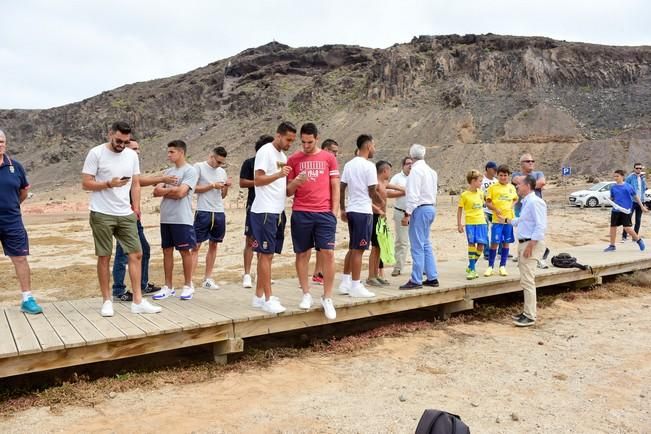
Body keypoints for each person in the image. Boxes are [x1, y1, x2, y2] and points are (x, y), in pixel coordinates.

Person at [81, 122, 161, 316]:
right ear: (110, 134)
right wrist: (109, 183)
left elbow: (135, 184)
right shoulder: (96, 153)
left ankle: (138, 301)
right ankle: (107, 301)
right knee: (104, 256)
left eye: (125, 141)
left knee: (137, 254)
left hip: (125, 213)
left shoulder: (132, 155)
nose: (121, 145)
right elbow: (86, 183)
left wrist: (136, 208)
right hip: (102, 213)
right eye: (118, 140)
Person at [111, 139, 178, 301]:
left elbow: (138, 184)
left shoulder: (131, 164)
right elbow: (138, 182)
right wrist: (162, 179)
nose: (138, 151)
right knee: (122, 253)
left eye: (138, 148)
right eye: (134, 148)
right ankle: (118, 290)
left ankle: (142, 284)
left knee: (144, 250)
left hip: (133, 215)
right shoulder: (121, 165)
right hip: (123, 216)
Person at [286, 123, 338, 319]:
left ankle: (327, 297)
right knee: (302, 253)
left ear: (316, 138)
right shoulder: (294, 159)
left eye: (310, 142)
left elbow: (334, 185)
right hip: (301, 212)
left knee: (328, 253)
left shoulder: (329, 158)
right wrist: (295, 182)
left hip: (324, 213)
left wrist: (334, 211)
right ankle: (306, 293)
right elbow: (288, 191)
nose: (306, 146)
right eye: (303, 142)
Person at [250, 122, 297, 313]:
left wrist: (296, 182)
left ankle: (259, 296)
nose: (289, 144)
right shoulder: (265, 151)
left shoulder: (283, 156)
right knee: (265, 254)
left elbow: (282, 189)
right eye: (288, 139)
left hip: (277, 211)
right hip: (264, 211)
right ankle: (268, 298)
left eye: (292, 141)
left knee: (267, 255)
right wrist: (278, 174)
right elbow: (258, 179)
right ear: (278, 136)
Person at [0, 129, 43, 314]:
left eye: (1, 141)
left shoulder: (15, 166)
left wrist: (12, 206)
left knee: (20, 258)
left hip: (12, 221)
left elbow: (23, 191)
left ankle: (27, 299)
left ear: (6, 143)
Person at [152, 140, 199, 300]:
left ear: (181, 152)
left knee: (185, 251)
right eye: (168, 152)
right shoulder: (167, 172)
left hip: (182, 218)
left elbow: (181, 193)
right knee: (167, 251)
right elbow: (156, 192)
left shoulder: (190, 171)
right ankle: (168, 286)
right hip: (166, 217)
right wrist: (170, 190)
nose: (169, 155)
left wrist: (166, 190)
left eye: (171, 152)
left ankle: (188, 285)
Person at [500, 175, 548, 326]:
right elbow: (522, 221)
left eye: (519, 184)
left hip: (530, 244)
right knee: (525, 280)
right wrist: (507, 220)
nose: (516, 187)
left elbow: (541, 226)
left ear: (527, 185)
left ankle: (530, 315)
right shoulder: (527, 202)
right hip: (524, 243)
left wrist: (531, 245)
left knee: (528, 280)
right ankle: (527, 311)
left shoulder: (535, 202)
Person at [338, 134, 381, 298]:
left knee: (353, 247)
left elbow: (342, 188)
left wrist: (342, 209)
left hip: (352, 209)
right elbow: (372, 191)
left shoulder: (349, 165)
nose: (374, 149)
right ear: (368, 146)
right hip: (363, 211)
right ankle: (356, 285)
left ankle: (345, 281)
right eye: (374, 146)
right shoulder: (369, 166)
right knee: (359, 249)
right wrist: (380, 203)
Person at [191, 146, 231, 290]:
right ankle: (189, 281)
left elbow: (223, 195)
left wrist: (226, 187)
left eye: (222, 163)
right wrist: (211, 185)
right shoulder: (199, 167)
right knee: (196, 246)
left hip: (219, 211)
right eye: (218, 161)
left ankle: (207, 278)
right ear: (211, 156)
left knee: (214, 244)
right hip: (203, 211)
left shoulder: (222, 172)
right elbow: (193, 188)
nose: (219, 165)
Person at [399, 144, 439, 290]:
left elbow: (413, 195)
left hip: (420, 209)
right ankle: (432, 276)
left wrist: (407, 214)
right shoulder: (431, 171)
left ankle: (416, 279)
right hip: (430, 207)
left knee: (417, 245)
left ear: (411, 155)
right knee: (425, 243)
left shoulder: (416, 171)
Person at [239, 135, 274, 288]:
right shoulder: (249, 163)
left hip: (270, 206)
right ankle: (247, 274)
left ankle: (263, 273)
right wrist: (259, 181)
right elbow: (242, 182)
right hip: (253, 205)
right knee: (250, 240)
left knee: (265, 241)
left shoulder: (274, 163)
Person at [367, 160, 403, 286]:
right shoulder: (375, 183)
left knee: (380, 246)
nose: (390, 173)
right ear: (384, 170)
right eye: (389, 170)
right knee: (375, 247)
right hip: (375, 216)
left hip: (382, 218)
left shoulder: (384, 183)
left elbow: (394, 190)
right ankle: (371, 276)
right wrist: (378, 209)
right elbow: (366, 199)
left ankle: (376, 275)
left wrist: (406, 190)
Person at [310, 138, 339, 284]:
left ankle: (318, 272)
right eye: (333, 151)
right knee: (319, 247)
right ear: (326, 150)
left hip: (327, 211)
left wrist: (334, 210)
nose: (336, 154)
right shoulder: (320, 167)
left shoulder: (331, 166)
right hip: (317, 210)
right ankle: (318, 273)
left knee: (323, 247)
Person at [484, 165, 517, 277]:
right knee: (494, 243)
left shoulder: (512, 187)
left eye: (505, 175)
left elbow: (515, 199)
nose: (503, 177)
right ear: (497, 175)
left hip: (508, 220)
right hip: (497, 220)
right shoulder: (493, 188)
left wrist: (511, 206)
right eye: (501, 175)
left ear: (508, 176)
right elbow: (488, 203)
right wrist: (495, 208)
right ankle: (490, 266)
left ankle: (502, 266)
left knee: (506, 243)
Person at [604, 169, 647, 252]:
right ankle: (612, 245)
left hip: (625, 210)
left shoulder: (628, 186)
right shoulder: (613, 187)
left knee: (627, 228)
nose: (615, 178)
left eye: (617, 176)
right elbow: (612, 198)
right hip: (615, 210)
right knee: (613, 227)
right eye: (614, 176)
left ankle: (638, 240)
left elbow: (636, 197)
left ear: (622, 176)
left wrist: (642, 206)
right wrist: (609, 200)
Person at [457, 170, 488, 280]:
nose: (481, 183)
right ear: (473, 181)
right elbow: (460, 210)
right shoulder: (464, 195)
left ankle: (471, 265)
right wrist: (459, 224)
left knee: (481, 245)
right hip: (470, 223)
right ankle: (473, 270)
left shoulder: (481, 193)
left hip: (481, 222)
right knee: (471, 244)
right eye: (480, 181)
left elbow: (487, 203)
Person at [389, 157, 412, 277]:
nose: (410, 166)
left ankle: (421, 267)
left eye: (412, 163)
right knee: (401, 241)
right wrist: (404, 192)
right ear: (403, 165)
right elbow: (387, 193)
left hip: (415, 213)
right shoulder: (397, 178)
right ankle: (398, 267)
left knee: (418, 241)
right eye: (408, 163)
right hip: (400, 212)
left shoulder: (416, 177)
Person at [621, 163, 647, 242]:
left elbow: (644, 189)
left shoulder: (642, 178)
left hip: (640, 201)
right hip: (631, 201)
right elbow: (625, 187)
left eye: (640, 168)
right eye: (637, 168)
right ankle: (624, 236)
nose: (638, 169)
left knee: (638, 220)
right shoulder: (630, 177)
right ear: (634, 168)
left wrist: (643, 201)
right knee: (628, 219)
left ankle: (634, 237)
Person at [481, 161, 498, 259]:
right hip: (485, 209)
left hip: (495, 209)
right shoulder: (482, 180)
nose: (495, 171)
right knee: (485, 230)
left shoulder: (496, 181)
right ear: (487, 169)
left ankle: (499, 251)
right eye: (493, 169)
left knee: (498, 229)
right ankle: (487, 252)